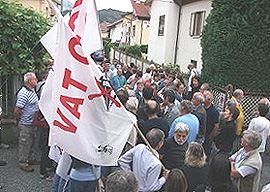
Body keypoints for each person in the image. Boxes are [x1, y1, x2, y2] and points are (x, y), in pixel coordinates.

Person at [14, 72, 39, 172]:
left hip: (32, 122)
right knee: (25, 143)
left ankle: (30, 158)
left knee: (32, 141)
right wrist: (18, 119)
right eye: (35, 79)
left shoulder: (32, 90)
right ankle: (23, 162)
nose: (36, 80)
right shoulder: (23, 93)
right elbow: (17, 110)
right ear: (29, 81)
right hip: (26, 123)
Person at [202, 91, 219, 157]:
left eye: (203, 97)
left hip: (207, 136)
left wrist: (210, 136)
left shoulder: (214, 112)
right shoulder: (202, 108)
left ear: (208, 100)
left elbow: (216, 125)